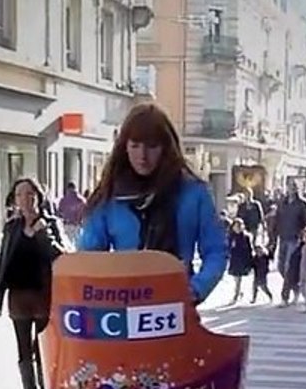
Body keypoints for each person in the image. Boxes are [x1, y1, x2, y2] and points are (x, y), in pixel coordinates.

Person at [77, 103, 226, 304]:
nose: (142, 156)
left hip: (177, 306)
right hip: (121, 306)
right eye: (135, 145)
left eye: (152, 146)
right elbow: (88, 257)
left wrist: (197, 289)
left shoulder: (193, 193)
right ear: (124, 147)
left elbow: (215, 250)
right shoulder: (109, 197)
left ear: (166, 147)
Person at [0, 178, 66, 389]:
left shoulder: (51, 224)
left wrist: (42, 234)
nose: (25, 199)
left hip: (44, 296)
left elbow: (61, 256)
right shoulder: (11, 227)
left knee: (44, 351)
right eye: (20, 194)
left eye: (30, 193)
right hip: (19, 297)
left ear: (39, 196)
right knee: (24, 352)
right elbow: (3, 260)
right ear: (15, 199)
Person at [274, 182, 306, 285]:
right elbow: (277, 219)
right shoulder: (282, 203)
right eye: (289, 187)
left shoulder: (303, 204)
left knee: (289, 264)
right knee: (280, 266)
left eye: (293, 188)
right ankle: (291, 283)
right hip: (283, 236)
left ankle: (287, 289)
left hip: (295, 238)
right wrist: (273, 237)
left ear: (297, 189)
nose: (291, 190)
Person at [226, 217, 253, 304]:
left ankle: (236, 295)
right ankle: (239, 292)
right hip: (234, 259)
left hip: (242, 260)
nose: (237, 228)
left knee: (238, 279)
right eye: (235, 226)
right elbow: (227, 248)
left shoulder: (246, 237)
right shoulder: (231, 236)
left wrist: (250, 262)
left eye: (239, 226)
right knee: (236, 278)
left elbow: (249, 250)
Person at [57, 182, 86, 248]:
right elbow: (85, 214)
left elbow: (59, 213)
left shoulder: (63, 200)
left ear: (67, 189)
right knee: (78, 245)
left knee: (68, 244)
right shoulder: (81, 200)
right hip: (77, 226)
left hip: (66, 225)